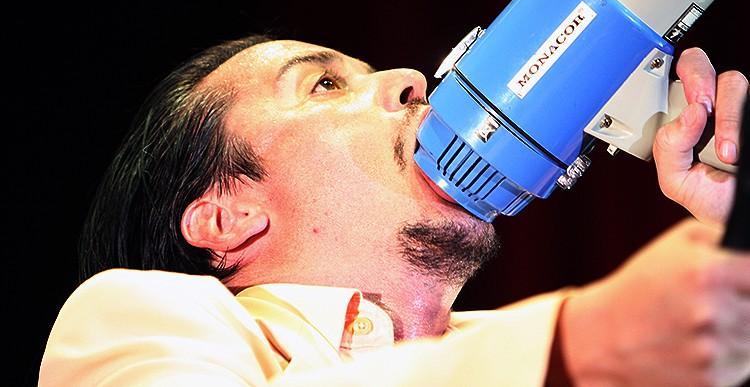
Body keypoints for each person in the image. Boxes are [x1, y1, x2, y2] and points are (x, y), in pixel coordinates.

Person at [39, 36, 750, 386]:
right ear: (227, 216)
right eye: (322, 85)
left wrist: (734, 211)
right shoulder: (128, 318)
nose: (410, 79)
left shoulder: (526, 343)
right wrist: (577, 344)